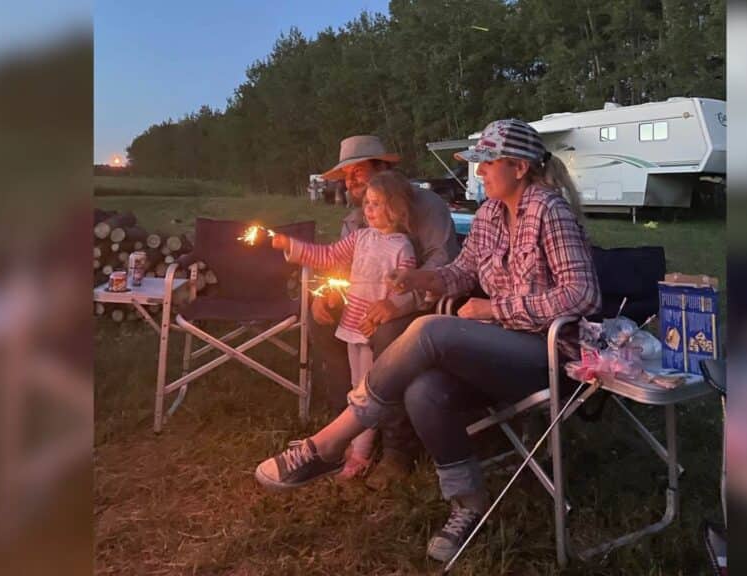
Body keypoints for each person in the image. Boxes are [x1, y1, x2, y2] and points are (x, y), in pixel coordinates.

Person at [255, 119, 602, 561]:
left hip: (548, 354)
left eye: (487, 162)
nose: (479, 172)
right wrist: (418, 277)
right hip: (496, 346)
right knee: (423, 391)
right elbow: (462, 273)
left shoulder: (548, 210)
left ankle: (329, 442)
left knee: (429, 330)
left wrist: (495, 309)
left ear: (518, 166)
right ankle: (469, 503)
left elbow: (582, 293)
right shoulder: (491, 214)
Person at [310, 135, 460, 486]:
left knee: (389, 334)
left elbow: (446, 263)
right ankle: (347, 425)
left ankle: (398, 448)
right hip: (365, 299)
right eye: (346, 176)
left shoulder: (426, 206)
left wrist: (399, 303)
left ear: (383, 168)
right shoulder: (356, 218)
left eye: (358, 172)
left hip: (422, 303)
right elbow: (344, 264)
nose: (351, 182)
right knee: (320, 322)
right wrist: (328, 290)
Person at [271, 171, 417, 479]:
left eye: (377, 203)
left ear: (396, 208)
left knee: (367, 390)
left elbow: (406, 289)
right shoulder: (360, 237)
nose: (368, 209)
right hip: (352, 323)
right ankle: (353, 441)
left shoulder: (402, 247)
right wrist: (291, 246)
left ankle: (361, 453)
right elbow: (327, 255)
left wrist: (390, 306)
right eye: (367, 203)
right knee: (357, 386)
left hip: (372, 327)